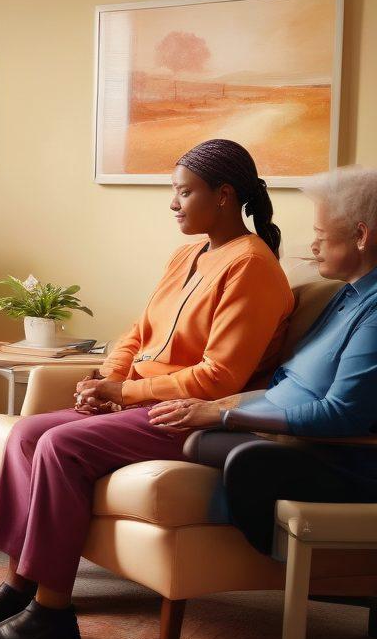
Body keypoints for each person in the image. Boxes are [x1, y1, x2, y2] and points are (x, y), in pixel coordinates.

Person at [0, 138, 293, 639]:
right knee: (26, 433)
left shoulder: (252, 266)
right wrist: (102, 383)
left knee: (62, 447)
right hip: (143, 399)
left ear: (223, 196)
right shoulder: (189, 253)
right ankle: (20, 584)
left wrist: (126, 391)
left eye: (184, 192)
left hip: (189, 416)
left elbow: (220, 377)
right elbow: (138, 330)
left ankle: (52, 611)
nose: (173, 204)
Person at [149, 166, 377, 554]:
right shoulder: (346, 294)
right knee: (188, 435)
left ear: (360, 236)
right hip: (284, 433)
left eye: (321, 236)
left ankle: (304, 571)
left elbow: (342, 414)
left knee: (240, 458)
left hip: (340, 455)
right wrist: (213, 407)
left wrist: (225, 415)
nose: (313, 246)